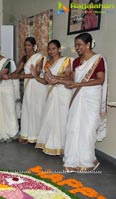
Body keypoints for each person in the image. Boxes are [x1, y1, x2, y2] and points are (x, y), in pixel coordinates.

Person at [61, 33, 107, 172]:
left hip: (91, 98)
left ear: (88, 44)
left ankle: (87, 161)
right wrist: (64, 83)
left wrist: (77, 85)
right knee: (73, 127)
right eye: (76, 45)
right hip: (77, 98)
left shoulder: (98, 60)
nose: (77, 48)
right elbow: (74, 81)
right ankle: (72, 159)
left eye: (80, 45)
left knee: (87, 130)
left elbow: (100, 80)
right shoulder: (75, 62)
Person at [34, 40, 73, 155]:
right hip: (51, 93)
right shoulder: (47, 64)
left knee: (62, 118)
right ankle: (51, 144)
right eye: (49, 49)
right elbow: (46, 81)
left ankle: (63, 146)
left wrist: (54, 77)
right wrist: (36, 76)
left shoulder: (66, 61)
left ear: (59, 49)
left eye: (54, 48)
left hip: (63, 92)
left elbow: (68, 78)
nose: (51, 51)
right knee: (51, 118)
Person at [8, 37, 47, 144]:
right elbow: (17, 71)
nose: (26, 47)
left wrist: (20, 76)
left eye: (29, 45)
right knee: (27, 109)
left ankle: (37, 136)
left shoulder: (40, 57)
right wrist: (7, 76)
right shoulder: (25, 58)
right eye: (25, 45)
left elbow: (37, 74)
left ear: (34, 46)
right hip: (28, 87)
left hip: (38, 86)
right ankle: (27, 135)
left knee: (37, 110)